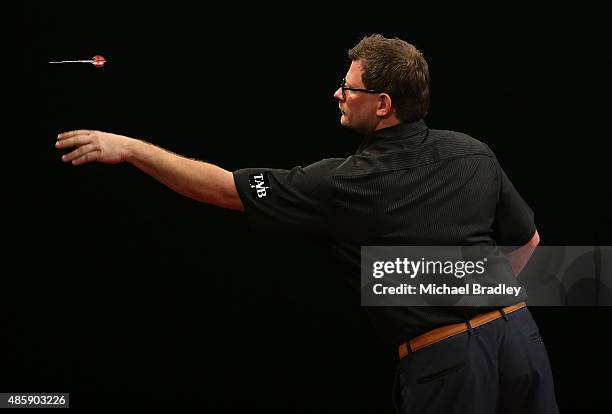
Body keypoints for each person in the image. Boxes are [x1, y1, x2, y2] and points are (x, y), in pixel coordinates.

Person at [55, 34, 558, 413]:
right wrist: (467, 294)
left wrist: (130, 148)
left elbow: (225, 188)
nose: (337, 93)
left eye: (348, 86)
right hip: (521, 341)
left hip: (448, 366)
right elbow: (528, 241)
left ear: (382, 105)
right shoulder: (473, 151)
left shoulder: (346, 181)